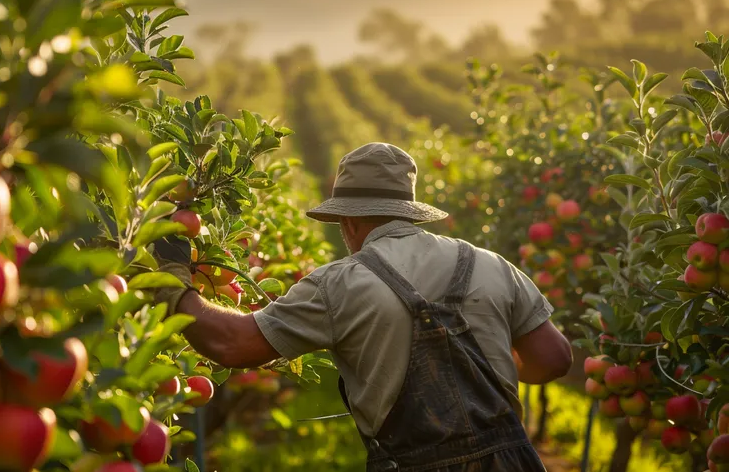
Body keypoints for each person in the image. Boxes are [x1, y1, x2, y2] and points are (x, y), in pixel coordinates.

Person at [153, 142, 572, 471]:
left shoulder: (339, 284)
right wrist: (487, 364)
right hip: (513, 461)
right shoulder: (490, 263)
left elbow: (232, 344)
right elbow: (554, 360)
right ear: (409, 213)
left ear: (348, 223)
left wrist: (173, 279)